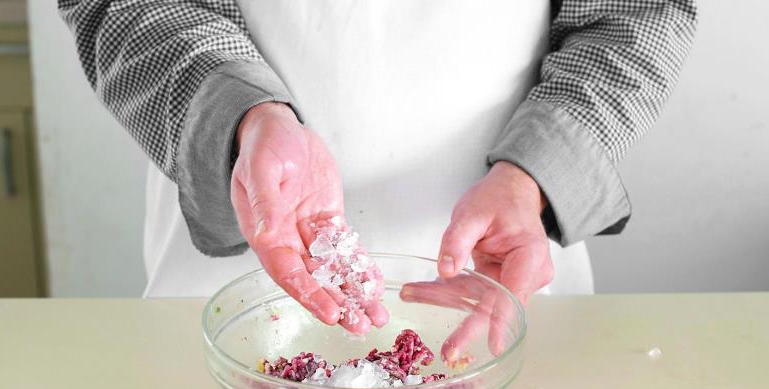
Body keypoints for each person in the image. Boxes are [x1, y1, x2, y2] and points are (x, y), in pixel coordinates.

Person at [58, 1, 696, 329]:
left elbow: (637, 13)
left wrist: (532, 176)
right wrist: (247, 116)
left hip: (503, 262)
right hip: (242, 246)